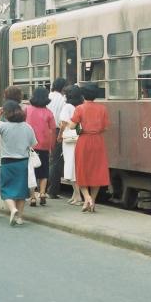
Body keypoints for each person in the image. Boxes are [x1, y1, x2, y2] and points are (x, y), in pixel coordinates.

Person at [0, 100, 37, 226]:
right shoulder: (27, 127)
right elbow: (34, 144)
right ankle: (20, 218)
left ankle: (13, 209)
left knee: (6, 189)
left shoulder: (4, 126)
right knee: (21, 191)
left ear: (6, 113)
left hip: (7, 162)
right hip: (22, 163)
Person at [66, 82, 110, 213]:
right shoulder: (103, 109)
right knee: (96, 170)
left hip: (84, 141)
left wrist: (68, 122)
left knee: (81, 169)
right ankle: (92, 201)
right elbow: (105, 127)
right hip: (98, 141)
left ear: (83, 95)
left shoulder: (80, 108)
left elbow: (72, 126)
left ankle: (87, 197)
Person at [26, 86, 56, 206]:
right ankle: (43, 193)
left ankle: (33, 197)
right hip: (44, 145)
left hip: (30, 145)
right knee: (43, 171)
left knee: (31, 171)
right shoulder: (49, 113)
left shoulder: (27, 110)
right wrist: (52, 145)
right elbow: (53, 130)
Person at [58, 84, 84, 205]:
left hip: (69, 139)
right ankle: (75, 195)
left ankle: (78, 196)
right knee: (76, 166)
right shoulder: (81, 105)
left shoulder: (67, 106)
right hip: (79, 138)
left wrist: (59, 135)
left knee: (71, 166)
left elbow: (63, 123)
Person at [46, 78, 67, 199]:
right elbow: (63, 120)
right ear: (63, 88)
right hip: (57, 130)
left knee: (44, 159)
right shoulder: (63, 100)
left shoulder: (47, 96)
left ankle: (41, 188)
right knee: (55, 161)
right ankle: (52, 191)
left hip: (44, 130)